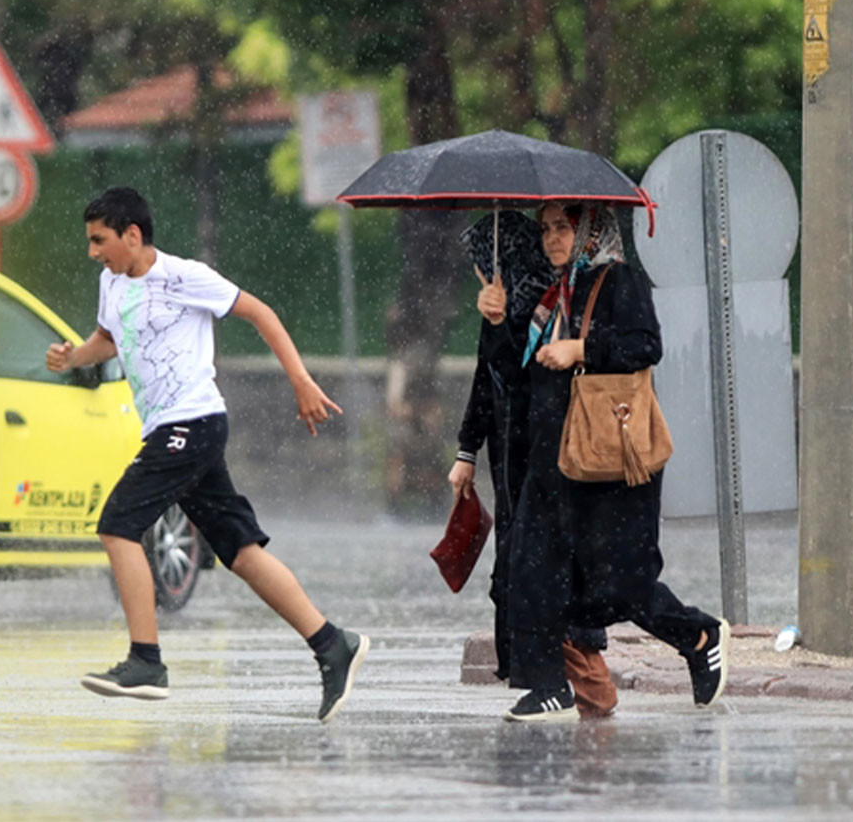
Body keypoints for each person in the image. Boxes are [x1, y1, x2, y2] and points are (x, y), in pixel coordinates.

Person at [47, 186, 369, 723]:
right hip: (171, 430)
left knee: (118, 525)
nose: (92, 252)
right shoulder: (111, 282)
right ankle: (333, 643)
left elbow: (261, 313)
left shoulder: (184, 276)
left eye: (99, 240)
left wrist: (301, 381)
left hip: (192, 422)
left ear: (132, 234)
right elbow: (109, 339)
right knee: (240, 552)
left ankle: (146, 661)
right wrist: (74, 355)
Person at [493, 202, 729, 722]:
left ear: (589, 232)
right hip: (552, 459)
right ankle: (549, 685)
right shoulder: (550, 294)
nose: (553, 239)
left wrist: (582, 348)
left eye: (564, 228)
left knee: (620, 584)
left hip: (610, 461)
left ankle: (697, 634)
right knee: (531, 573)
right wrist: (497, 319)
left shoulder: (618, 281)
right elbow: (517, 372)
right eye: (547, 229)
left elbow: (646, 346)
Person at [447, 209, 619, 718]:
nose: (482, 271)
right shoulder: (511, 302)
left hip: (557, 449)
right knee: (519, 566)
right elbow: (490, 377)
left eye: (487, 260)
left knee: (553, 566)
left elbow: (528, 378)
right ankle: (539, 679)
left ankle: (580, 677)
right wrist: (466, 452)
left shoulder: (560, 296)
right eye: (544, 232)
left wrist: (521, 329)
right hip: (514, 455)